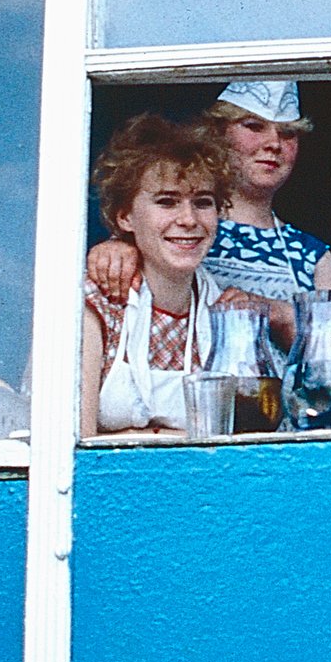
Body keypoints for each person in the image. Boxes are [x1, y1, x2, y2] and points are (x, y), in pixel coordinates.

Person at [83, 80, 331, 304]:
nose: (274, 143)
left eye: (288, 134)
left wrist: (280, 315)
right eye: (254, 126)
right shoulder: (180, 228)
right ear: (218, 133)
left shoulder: (312, 255)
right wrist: (116, 249)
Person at [80, 114, 236, 436]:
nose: (189, 219)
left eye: (203, 203)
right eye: (167, 202)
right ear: (124, 217)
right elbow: (70, 444)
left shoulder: (225, 317)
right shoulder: (97, 304)